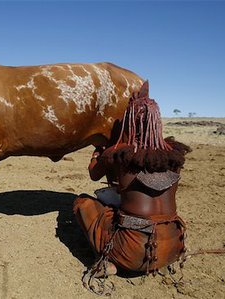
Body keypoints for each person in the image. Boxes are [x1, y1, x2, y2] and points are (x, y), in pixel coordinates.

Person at [74, 81, 192, 288]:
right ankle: (163, 260)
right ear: (158, 122)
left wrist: (99, 153)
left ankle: (107, 261)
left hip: (132, 252)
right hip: (174, 246)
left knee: (82, 203)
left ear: (130, 121)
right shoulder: (174, 155)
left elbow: (94, 174)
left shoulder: (121, 153)